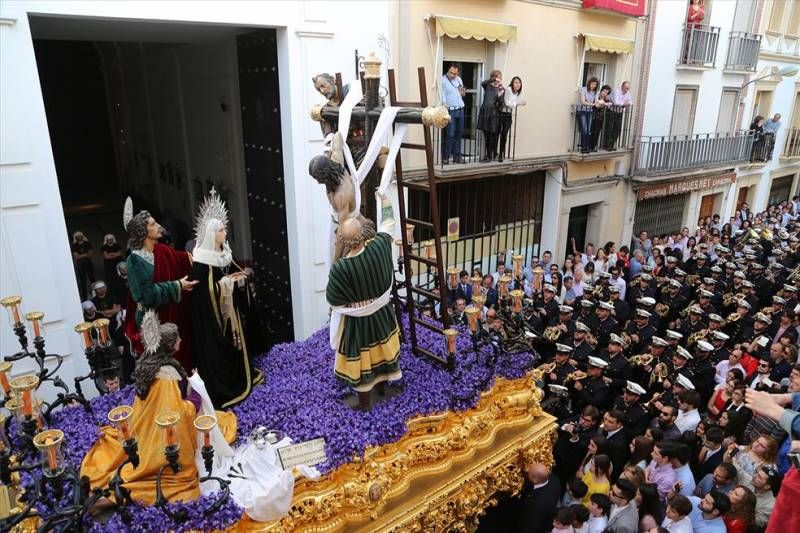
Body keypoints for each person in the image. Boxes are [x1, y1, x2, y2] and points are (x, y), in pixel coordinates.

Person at [80, 312, 237, 504]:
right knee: (213, 429)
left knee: (219, 419)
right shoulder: (166, 375)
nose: (181, 339)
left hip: (142, 425)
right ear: (170, 345)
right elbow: (177, 414)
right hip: (162, 436)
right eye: (178, 337)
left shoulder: (150, 363)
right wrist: (196, 393)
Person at [189, 189, 263, 408]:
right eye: (221, 230)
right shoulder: (202, 260)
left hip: (232, 314)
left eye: (224, 229)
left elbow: (230, 271)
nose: (224, 233)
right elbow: (203, 294)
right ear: (212, 234)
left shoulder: (224, 253)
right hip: (214, 320)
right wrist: (227, 285)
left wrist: (238, 281)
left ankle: (242, 374)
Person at [326, 203, 401, 410]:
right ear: (362, 232)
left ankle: (365, 405)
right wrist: (384, 199)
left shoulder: (341, 268)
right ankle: (383, 389)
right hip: (382, 314)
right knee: (383, 351)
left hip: (359, 324)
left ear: (343, 241)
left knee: (363, 361)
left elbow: (334, 299)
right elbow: (388, 226)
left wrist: (354, 302)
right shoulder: (379, 246)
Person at [123, 198, 198, 371]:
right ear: (143, 231)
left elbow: (183, 260)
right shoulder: (134, 262)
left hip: (172, 315)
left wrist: (205, 251)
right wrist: (177, 286)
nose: (158, 226)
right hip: (152, 322)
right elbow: (146, 295)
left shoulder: (161, 250)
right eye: (152, 224)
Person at [516, 463, 561, 533]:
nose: (527, 472)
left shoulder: (536, 505)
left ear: (535, 480)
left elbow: (531, 526)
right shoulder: (554, 479)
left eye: (529, 473)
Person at [478, 69, 505, 162]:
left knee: (492, 135)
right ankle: (488, 155)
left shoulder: (501, 89)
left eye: (499, 77)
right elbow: (482, 83)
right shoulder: (488, 85)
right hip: (485, 112)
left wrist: (500, 95)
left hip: (493, 114)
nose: (498, 78)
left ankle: (492, 155)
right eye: (497, 76)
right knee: (486, 135)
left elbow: (501, 103)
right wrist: (492, 80)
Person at [441, 63, 466, 164]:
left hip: (460, 108)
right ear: (448, 70)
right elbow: (442, 95)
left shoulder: (459, 79)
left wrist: (463, 92)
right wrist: (445, 108)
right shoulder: (443, 80)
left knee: (459, 133)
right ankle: (446, 157)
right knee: (450, 134)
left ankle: (457, 157)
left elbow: (462, 93)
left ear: (457, 73)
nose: (452, 75)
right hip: (450, 110)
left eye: (455, 73)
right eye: (451, 72)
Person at [498, 76, 525, 162]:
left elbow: (512, 103)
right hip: (502, 113)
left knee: (504, 134)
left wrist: (516, 103)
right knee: (500, 133)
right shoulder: (509, 90)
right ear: (512, 83)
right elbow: (507, 103)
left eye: (519, 83)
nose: (518, 84)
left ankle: (501, 153)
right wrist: (518, 103)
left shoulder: (517, 93)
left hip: (508, 114)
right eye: (516, 82)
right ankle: (497, 153)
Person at [577, 77, 598, 153]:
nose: (593, 85)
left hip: (590, 111)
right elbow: (582, 101)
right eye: (592, 83)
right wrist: (592, 104)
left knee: (588, 130)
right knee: (584, 129)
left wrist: (591, 104)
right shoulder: (583, 89)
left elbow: (596, 102)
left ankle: (587, 147)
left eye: (595, 84)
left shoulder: (596, 92)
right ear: (589, 83)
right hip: (582, 110)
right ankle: (583, 147)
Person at [71, 231, 95, 300]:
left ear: (82, 236)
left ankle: (95, 293)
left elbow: (90, 255)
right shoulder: (74, 245)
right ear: (75, 237)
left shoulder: (87, 243)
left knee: (92, 279)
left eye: (80, 235)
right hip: (80, 265)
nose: (79, 237)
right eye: (77, 236)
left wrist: (81, 255)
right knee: (82, 281)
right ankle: (85, 297)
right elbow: (76, 257)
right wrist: (85, 254)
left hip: (88, 263)